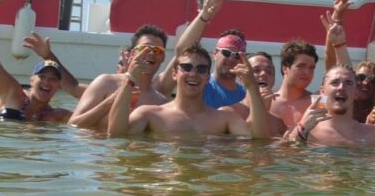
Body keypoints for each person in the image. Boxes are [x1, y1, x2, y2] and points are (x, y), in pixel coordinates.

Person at [107, 45, 268, 139]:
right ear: (175, 74)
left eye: (201, 69)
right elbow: (116, 135)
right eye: (186, 67)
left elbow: (257, 138)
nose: (193, 74)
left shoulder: (224, 119)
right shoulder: (150, 114)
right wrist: (129, 79)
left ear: (207, 77)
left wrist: (252, 87)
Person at [0, 0, 75, 122]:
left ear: (59, 86)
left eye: (53, 79)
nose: (47, 82)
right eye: (42, 77)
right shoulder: (13, 93)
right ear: (31, 80)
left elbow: (89, 117)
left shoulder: (56, 115)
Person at [68, 25, 170, 130]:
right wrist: (112, 100)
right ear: (132, 54)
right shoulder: (105, 82)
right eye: (145, 48)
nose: (151, 53)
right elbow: (73, 124)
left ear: (163, 58)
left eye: (158, 51)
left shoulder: (161, 103)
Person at [286, 66, 375, 148]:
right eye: (335, 82)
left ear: (356, 92)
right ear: (322, 92)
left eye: (348, 83)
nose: (341, 87)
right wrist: (301, 130)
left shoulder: (373, 134)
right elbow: (284, 158)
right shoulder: (306, 132)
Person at [269, 39, 320, 130]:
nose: (307, 72)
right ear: (285, 68)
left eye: (311, 68)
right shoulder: (267, 102)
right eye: (301, 66)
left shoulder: (317, 102)